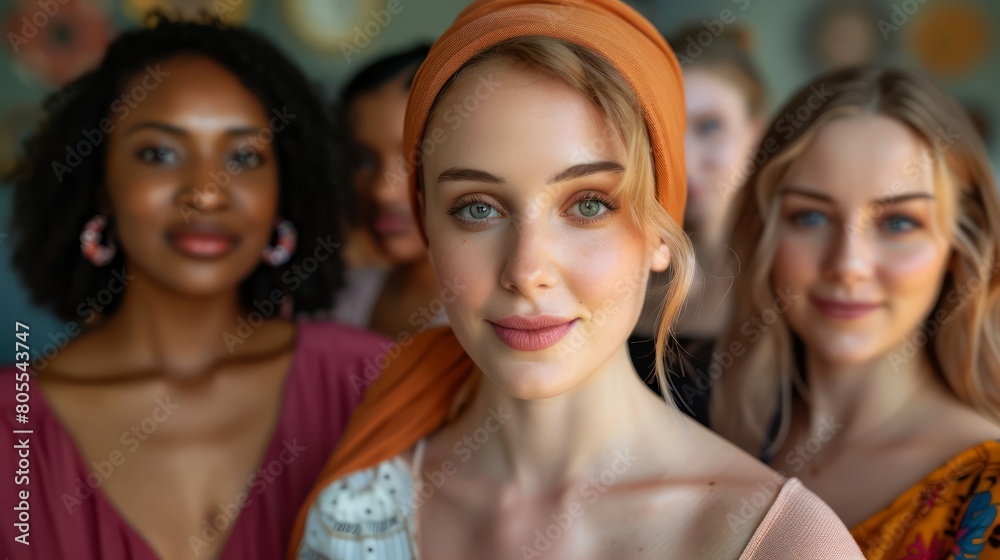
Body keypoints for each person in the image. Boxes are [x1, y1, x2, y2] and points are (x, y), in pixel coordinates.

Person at [289, 1, 865, 558]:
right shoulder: (352, 512)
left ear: (661, 233)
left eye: (588, 204)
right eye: (478, 208)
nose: (526, 271)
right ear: (429, 229)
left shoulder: (781, 544)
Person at [1, 16, 384, 559]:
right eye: (159, 153)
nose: (207, 194)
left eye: (244, 157)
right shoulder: (13, 429)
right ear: (101, 185)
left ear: (285, 187)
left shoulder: (371, 383)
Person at [710, 66, 1000, 558]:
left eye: (899, 222)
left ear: (958, 246)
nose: (847, 266)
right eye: (811, 216)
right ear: (763, 233)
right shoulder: (705, 431)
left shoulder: (987, 489)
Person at [630, 24, 767, 425]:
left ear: (756, 134)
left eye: (709, 127)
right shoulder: (619, 270)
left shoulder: (789, 275)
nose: (685, 157)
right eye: (669, 131)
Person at [333, 45, 448, 337]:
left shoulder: (500, 318)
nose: (382, 191)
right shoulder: (345, 296)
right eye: (363, 159)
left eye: (414, 156)